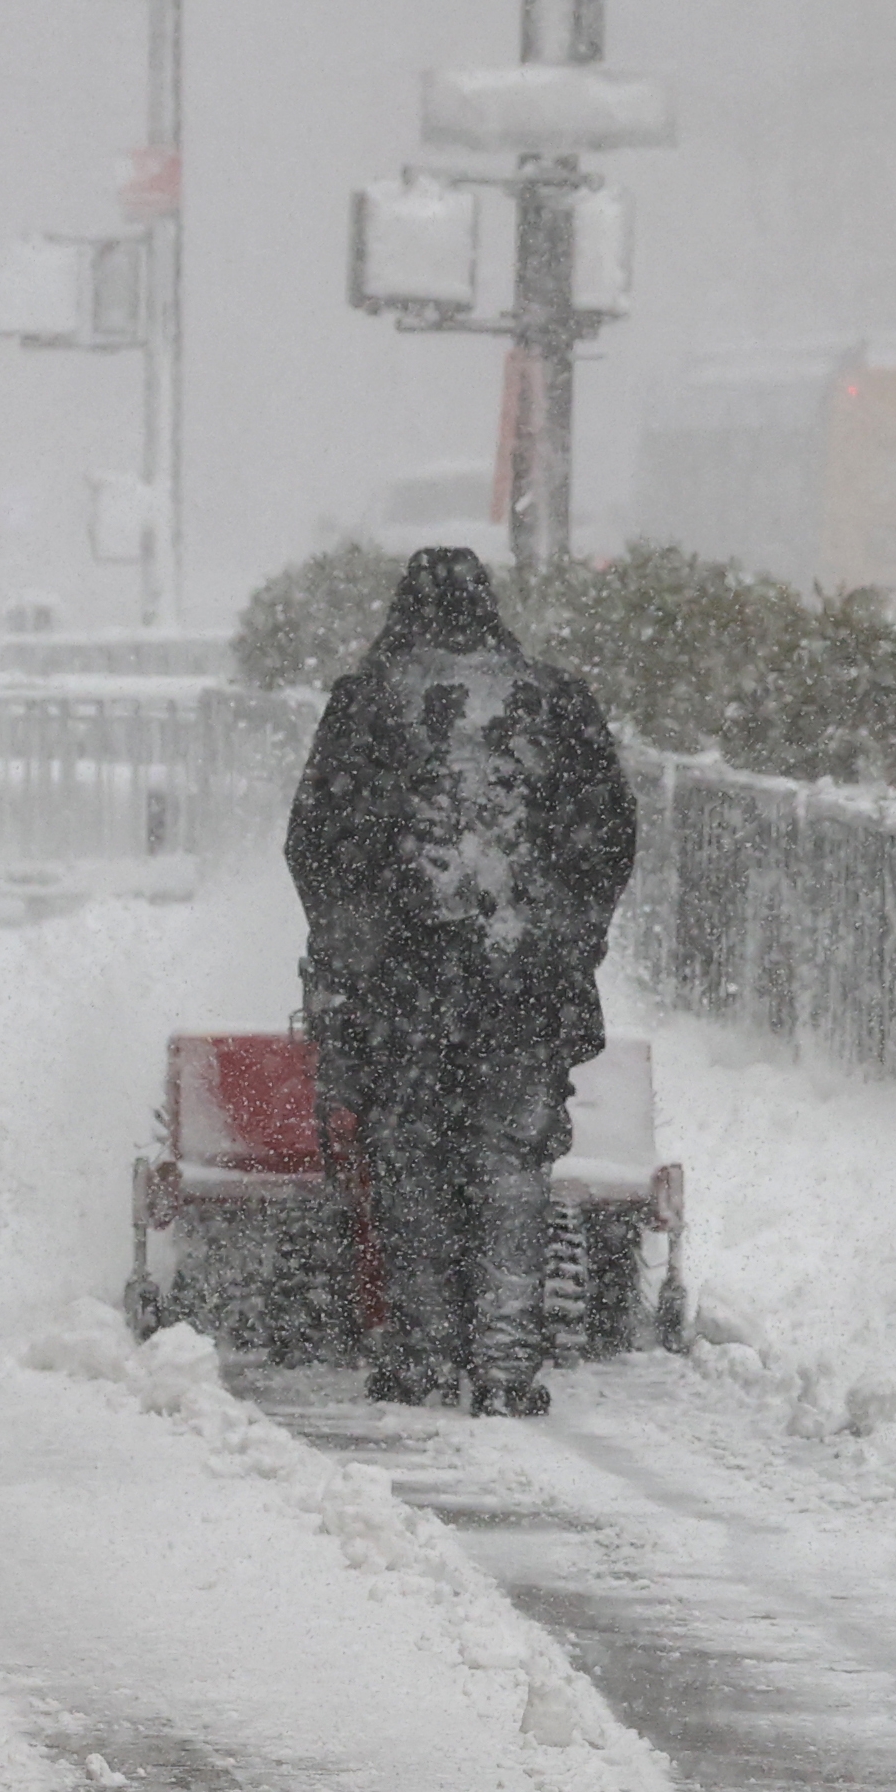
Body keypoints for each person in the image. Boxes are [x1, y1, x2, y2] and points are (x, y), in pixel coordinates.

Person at [283, 547, 637, 1413]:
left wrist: (349, 955)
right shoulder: (557, 700)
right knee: (510, 1155)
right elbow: (609, 835)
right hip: (524, 975)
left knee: (409, 1152)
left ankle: (424, 1354)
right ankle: (509, 1364)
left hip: (407, 977)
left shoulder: (367, 701)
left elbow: (317, 844)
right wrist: (566, 936)